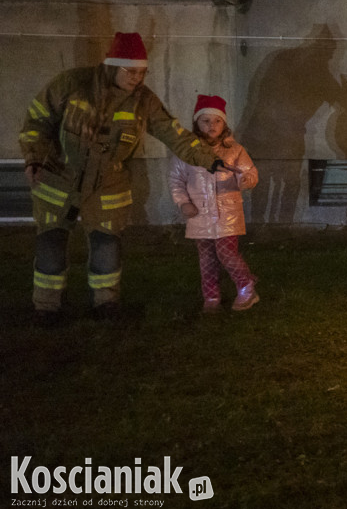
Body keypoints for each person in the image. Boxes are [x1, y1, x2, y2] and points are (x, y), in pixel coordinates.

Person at [18, 32, 222, 323]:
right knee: (51, 242)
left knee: (107, 245)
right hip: (57, 180)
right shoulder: (70, 84)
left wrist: (211, 161)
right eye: (131, 72)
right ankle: (46, 307)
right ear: (112, 66)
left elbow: (173, 134)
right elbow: (37, 120)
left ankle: (106, 304)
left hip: (108, 186)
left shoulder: (143, 101)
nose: (137, 79)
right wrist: (34, 158)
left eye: (142, 72)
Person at [168, 95, 259, 312]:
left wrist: (246, 179)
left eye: (217, 121)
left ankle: (246, 286)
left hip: (228, 213)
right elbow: (176, 181)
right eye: (206, 121)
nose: (212, 126)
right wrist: (183, 203)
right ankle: (211, 297)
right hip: (199, 214)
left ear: (224, 123)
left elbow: (249, 171)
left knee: (227, 253)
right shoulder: (187, 153)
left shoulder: (235, 150)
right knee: (207, 258)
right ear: (197, 123)